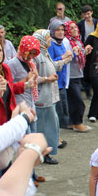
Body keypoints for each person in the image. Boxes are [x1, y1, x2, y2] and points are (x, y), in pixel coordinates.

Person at [33, 29, 66, 165]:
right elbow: (32, 78)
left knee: (52, 125)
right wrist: (47, 79)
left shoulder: (45, 53)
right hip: (43, 98)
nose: (50, 39)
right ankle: (43, 154)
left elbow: (53, 66)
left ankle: (46, 152)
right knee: (45, 128)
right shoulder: (36, 57)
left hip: (50, 97)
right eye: (47, 37)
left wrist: (65, 60)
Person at [47, 20, 75, 132]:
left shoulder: (61, 42)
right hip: (54, 81)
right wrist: (63, 56)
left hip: (62, 81)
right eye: (57, 30)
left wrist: (72, 54)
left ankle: (64, 126)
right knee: (58, 109)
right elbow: (50, 62)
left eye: (62, 30)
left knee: (64, 107)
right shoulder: (51, 44)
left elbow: (66, 59)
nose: (61, 32)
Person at [64, 20, 91, 132]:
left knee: (73, 100)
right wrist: (75, 53)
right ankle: (77, 123)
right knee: (78, 101)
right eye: (71, 28)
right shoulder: (66, 42)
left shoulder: (77, 40)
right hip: (70, 75)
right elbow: (68, 57)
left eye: (75, 27)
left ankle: (71, 122)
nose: (75, 29)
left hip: (78, 74)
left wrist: (85, 51)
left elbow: (80, 54)